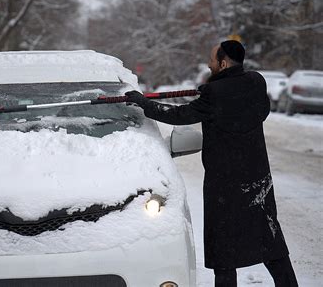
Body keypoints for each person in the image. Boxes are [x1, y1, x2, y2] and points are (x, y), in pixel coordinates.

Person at [125, 40, 298, 287]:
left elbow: (178, 115)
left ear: (223, 63)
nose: (208, 63)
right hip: (258, 178)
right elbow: (238, 100)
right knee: (269, 239)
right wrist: (212, 89)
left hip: (225, 184)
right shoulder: (256, 83)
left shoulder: (215, 96)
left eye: (212, 60)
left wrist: (143, 103)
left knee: (224, 251)